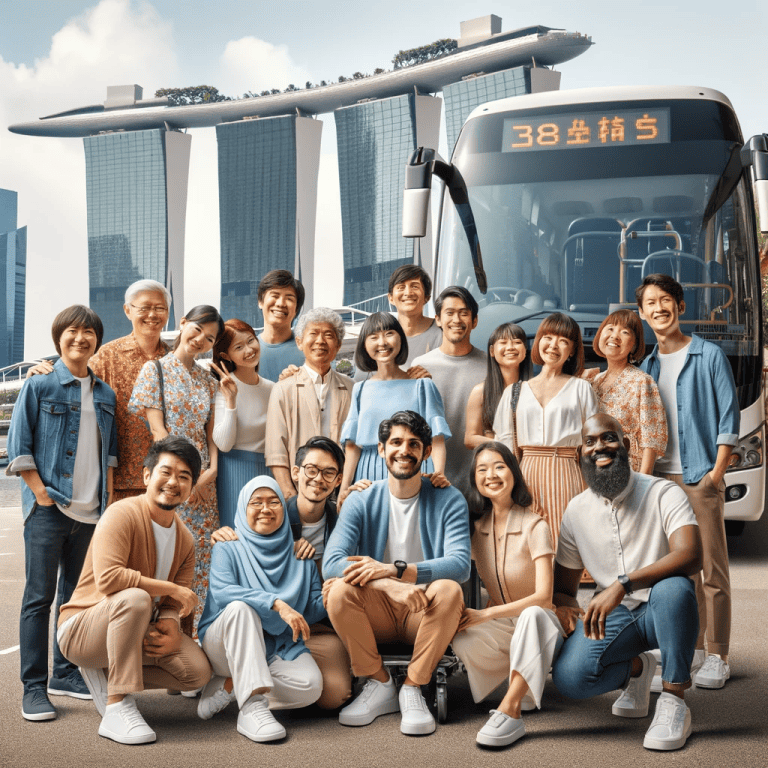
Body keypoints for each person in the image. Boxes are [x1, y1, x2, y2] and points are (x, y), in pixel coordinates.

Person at [551, 414, 702, 752]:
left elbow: (691, 555)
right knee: (570, 678)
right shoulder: (575, 511)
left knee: (674, 587)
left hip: (664, 609)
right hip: (618, 618)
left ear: (626, 446)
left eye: (608, 438)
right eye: (589, 442)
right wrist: (568, 612)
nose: (599, 447)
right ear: (580, 455)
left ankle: (674, 700)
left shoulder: (663, 492)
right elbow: (563, 589)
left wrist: (622, 584)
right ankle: (637, 669)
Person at [57, 436, 213, 745]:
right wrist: (172, 590)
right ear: (146, 476)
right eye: (165, 472)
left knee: (197, 673)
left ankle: (107, 672)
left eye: (184, 477)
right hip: (81, 629)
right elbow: (109, 579)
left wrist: (169, 625)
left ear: (192, 486)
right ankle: (117, 704)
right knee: (136, 597)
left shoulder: (186, 540)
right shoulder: (122, 513)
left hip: (132, 629)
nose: (173, 482)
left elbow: (171, 602)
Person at [323, 410, 470, 736]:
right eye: (396, 442)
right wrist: (389, 586)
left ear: (426, 452)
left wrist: (397, 570)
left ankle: (414, 687)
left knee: (449, 590)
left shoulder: (448, 498)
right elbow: (331, 562)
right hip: (375, 612)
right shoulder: (361, 498)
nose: (404, 450)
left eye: (414, 444)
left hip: (424, 612)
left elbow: (460, 564)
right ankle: (379, 683)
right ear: (381, 449)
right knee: (337, 588)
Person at [7, 305, 117, 721]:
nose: (80, 339)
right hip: (49, 509)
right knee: (39, 598)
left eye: (89, 333)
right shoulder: (39, 386)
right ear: (59, 338)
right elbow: (19, 448)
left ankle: (64, 674)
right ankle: (34, 687)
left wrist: (105, 507)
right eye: (72, 332)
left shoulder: (105, 393)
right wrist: (43, 496)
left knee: (73, 599)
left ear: (96, 341)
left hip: (91, 514)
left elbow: (111, 457)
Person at [637, 274, 739, 689]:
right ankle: (690, 648)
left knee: (713, 567)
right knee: (678, 572)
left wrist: (716, 474)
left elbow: (728, 421)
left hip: (699, 476)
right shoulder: (647, 366)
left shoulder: (709, 355)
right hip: (659, 483)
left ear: (679, 306)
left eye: (666, 301)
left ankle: (717, 654)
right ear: (642, 314)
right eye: (650, 303)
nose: (658, 308)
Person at [196, 476, 351, 742]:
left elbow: (310, 611)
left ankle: (232, 685)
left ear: (283, 509)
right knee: (240, 609)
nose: (266, 509)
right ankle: (251, 707)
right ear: (244, 509)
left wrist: (329, 595)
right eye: (256, 502)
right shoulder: (228, 548)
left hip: (276, 644)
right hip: (222, 644)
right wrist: (276, 603)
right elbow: (223, 593)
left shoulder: (301, 556)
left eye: (274, 502)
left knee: (311, 687)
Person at [451, 442, 563, 747]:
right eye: (482, 469)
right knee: (459, 634)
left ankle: (510, 709)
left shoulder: (535, 525)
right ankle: (522, 680)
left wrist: (486, 613)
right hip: (506, 627)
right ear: (474, 478)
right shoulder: (475, 530)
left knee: (531, 615)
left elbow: (543, 597)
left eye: (499, 466)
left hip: (543, 623)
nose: (491, 475)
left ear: (513, 472)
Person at [25, 279, 171, 502]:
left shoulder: (173, 360)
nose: (152, 314)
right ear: (127, 310)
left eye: (159, 308)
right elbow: (73, 384)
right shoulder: (106, 355)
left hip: (166, 479)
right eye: (144, 308)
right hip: (116, 480)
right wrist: (44, 373)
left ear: (168, 313)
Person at [129, 304, 225, 629]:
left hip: (204, 488)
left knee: (202, 562)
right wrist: (187, 477)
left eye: (209, 337)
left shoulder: (209, 381)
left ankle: (196, 640)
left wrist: (208, 473)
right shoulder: (153, 370)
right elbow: (159, 432)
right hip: (171, 480)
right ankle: (159, 637)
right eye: (197, 329)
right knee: (165, 558)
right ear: (183, 324)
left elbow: (212, 437)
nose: (200, 339)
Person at [494, 312, 598, 546]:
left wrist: (592, 489)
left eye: (563, 341)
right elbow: (505, 444)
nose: (553, 345)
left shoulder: (581, 388)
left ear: (572, 350)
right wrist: (510, 488)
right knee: (529, 545)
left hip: (568, 472)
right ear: (538, 341)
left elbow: (592, 443)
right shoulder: (514, 391)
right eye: (548, 337)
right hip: (525, 474)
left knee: (567, 544)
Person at [339, 312, 450, 499]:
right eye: (373, 337)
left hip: (416, 469)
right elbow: (352, 446)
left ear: (401, 339)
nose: (382, 342)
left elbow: (437, 439)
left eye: (389, 334)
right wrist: (344, 488)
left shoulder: (422, 385)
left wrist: (439, 474)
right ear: (364, 346)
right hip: (368, 474)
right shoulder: (360, 389)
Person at [265, 308, 353, 500]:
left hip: (341, 492)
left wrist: (345, 491)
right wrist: (290, 496)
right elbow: (275, 451)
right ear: (299, 342)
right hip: (298, 493)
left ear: (337, 345)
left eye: (328, 335)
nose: (320, 341)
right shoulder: (283, 388)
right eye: (313, 334)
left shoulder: (352, 388)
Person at [411, 286, 487, 496]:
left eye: (464, 313)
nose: (457, 320)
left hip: (480, 484)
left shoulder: (490, 367)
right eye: (450, 313)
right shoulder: (420, 366)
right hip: (432, 482)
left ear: (474, 321)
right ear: (437, 319)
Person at [582, 309, 666, 474]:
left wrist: (643, 483)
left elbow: (651, 441)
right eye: (610, 328)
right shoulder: (591, 382)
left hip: (627, 474)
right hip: (592, 472)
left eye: (625, 332)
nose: (615, 336)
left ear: (634, 345)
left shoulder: (642, 381)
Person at [210, 319, 274, 528]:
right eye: (239, 347)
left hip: (269, 470)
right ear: (226, 356)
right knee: (236, 535)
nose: (249, 350)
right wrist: (231, 400)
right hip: (232, 472)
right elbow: (224, 444)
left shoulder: (274, 389)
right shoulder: (224, 388)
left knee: (265, 534)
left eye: (251, 341)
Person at [465, 323, 530, 450]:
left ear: (525, 350)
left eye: (517, 342)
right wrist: (506, 445)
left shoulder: (535, 389)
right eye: (503, 342)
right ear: (491, 351)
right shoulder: (480, 391)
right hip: (497, 462)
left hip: (531, 464)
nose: (510, 347)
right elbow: (470, 439)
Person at [256, 270, 305, 383]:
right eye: (275, 295)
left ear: (296, 309)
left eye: (289, 298)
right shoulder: (246, 350)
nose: (280, 303)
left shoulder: (309, 350)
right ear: (260, 301)